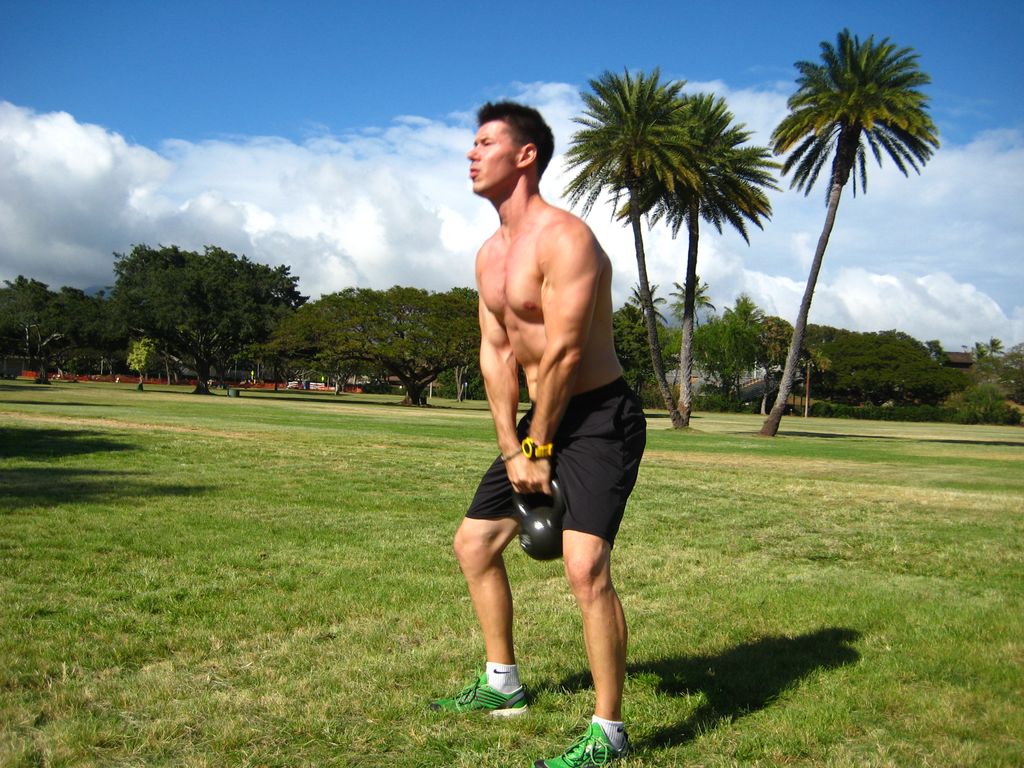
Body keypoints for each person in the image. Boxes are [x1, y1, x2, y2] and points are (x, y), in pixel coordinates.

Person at [430, 101, 646, 768]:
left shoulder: (566, 239)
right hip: (536, 428)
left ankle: (608, 734)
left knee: (585, 567)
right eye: (472, 143)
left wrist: (540, 448)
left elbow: (566, 353)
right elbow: (496, 353)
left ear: (525, 156)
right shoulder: (490, 255)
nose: (471, 154)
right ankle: (503, 684)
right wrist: (512, 447)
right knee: (474, 544)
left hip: (599, 418)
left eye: (484, 143)